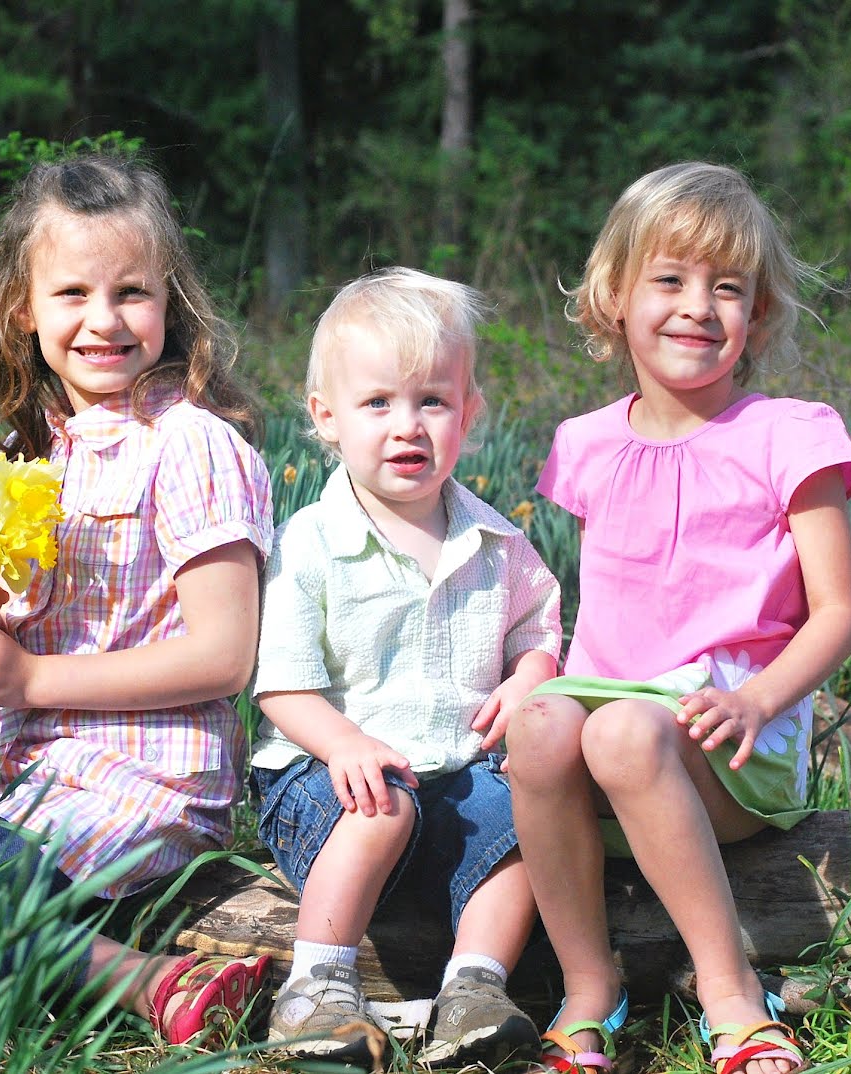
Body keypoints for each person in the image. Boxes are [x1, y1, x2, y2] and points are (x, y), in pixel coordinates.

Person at [506, 162, 851, 1074]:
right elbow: (601, 611)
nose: (697, 306)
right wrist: (539, 669)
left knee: (625, 732)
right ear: (616, 295)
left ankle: (733, 996)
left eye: (727, 288)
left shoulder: (790, 433)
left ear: (759, 314)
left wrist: (759, 702)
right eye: (669, 279)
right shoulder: (585, 444)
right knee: (542, 723)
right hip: (610, 726)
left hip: (733, 738)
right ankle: (590, 989)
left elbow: (836, 615)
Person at [0, 154, 272, 1045]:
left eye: (132, 293)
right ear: (23, 309)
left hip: (139, 776)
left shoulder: (190, 445)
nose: (103, 322)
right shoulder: (31, 452)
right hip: (19, 763)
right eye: (72, 293)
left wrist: (28, 676)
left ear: (171, 303)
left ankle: (149, 983)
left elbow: (225, 657)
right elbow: (24, 627)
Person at [249, 268, 562, 1068]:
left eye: (433, 401)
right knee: (380, 805)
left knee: (530, 820)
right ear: (326, 417)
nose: (407, 426)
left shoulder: (498, 544)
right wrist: (344, 743)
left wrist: (526, 677)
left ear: (471, 412)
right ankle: (316, 989)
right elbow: (282, 682)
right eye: (378, 403)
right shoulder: (310, 543)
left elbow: (538, 631)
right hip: (330, 782)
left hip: (458, 777)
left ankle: (474, 992)